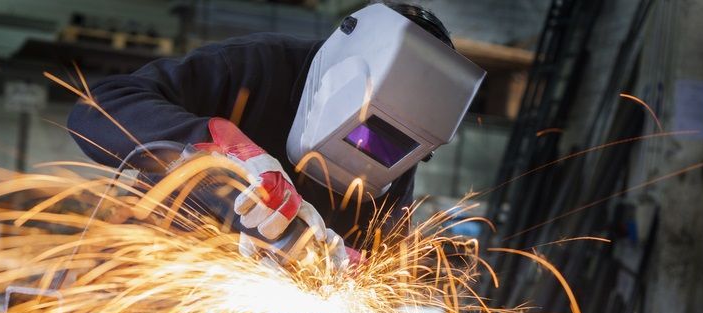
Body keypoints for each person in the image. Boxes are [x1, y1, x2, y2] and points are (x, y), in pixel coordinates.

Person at [68, 2, 484, 268]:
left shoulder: (396, 161)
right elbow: (97, 107)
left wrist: (348, 267)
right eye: (364, 127)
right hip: (149, 274)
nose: (367, 147)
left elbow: (379, 261)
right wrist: (224, 145)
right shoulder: (255, 66)